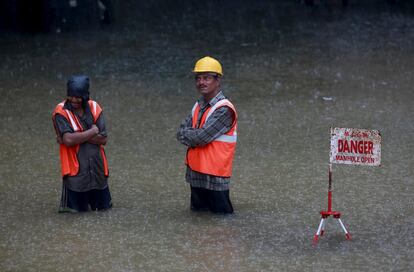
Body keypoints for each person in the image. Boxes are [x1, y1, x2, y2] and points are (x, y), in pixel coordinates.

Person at [177, 56, 238, 214]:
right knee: (198, 221)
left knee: (222, 223)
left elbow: (200, 138)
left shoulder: (224, 109)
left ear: (218, 81)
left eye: (206, 78)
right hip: (196, 174)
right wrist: (192, 135)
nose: (201, 82)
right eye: (198, 78)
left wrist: (190, 135)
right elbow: (180, 132)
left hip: (215, 177)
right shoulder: (198, 105)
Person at [52, 75, 112, 213]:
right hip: (76, 174)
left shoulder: (95, 107)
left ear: (85, 96)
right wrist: (92, 131)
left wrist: (76, 136)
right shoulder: (60, 112)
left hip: (97, 170)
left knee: (103, 211)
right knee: (75, 214)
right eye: (71, 96)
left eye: (78, 97)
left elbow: (103, 139)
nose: (74, 100)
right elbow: (67, 141)